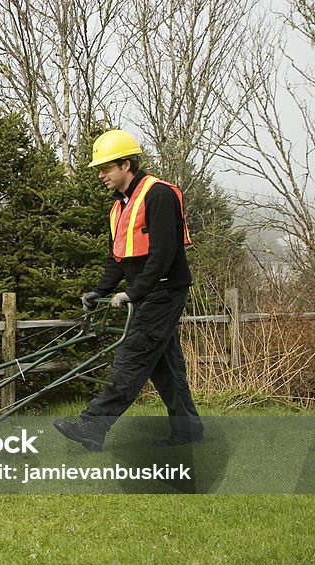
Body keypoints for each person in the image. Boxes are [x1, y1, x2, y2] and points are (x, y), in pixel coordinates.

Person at [54, 129, 204, 452]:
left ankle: (93, 426)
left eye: (106, 168)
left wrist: (133, 294)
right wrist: (100, 291)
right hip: (149, 293)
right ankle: (188, 430)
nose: (100, 175)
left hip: (165, 291)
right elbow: (118, 257)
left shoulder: (158, 195)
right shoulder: (118, 207)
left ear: (126, 165)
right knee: (166, 367)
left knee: (131, 358)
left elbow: (163, 256)